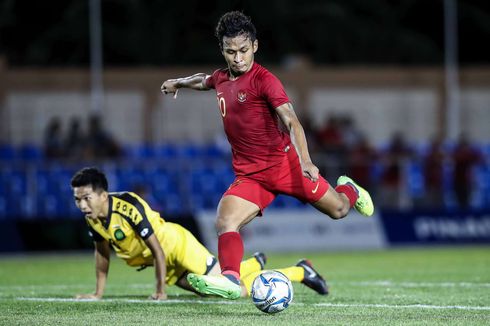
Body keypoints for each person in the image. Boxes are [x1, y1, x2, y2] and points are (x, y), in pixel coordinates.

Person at [161, 11, 374, 300]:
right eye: (231, 52)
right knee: (225, 221)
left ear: (255, 47)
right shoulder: (222, 78)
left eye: (244, 51)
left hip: (286, 166)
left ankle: (348, 188)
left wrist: (306, 160)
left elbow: (291, 121)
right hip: (251, 176)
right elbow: (204, 80)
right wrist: (178, 82)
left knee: (339, 210)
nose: (238, 58)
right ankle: (230, 280)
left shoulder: (265, 80)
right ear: (223, 51)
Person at [71, 167, 328, 300]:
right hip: (160, 260)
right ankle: (253, 264)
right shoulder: (93, 218)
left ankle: (300, 271)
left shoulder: (127, 206)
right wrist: (98, 292)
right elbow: (102, 255)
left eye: (86, 198)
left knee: (231, 291)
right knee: (208, 291)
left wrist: (160, 290)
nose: (82, 205)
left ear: (103, 195)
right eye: (77, 199)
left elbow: (157, 248)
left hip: (175, 246)